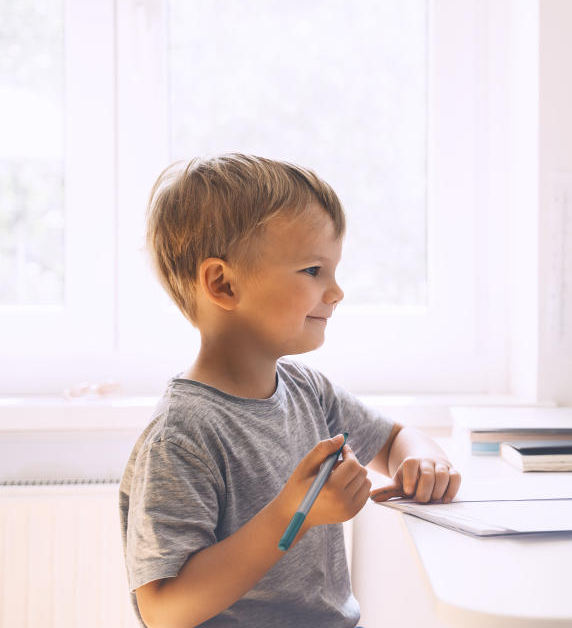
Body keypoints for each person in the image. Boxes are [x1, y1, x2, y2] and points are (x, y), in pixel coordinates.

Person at [119, 154, 461, 627]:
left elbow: (395, 438)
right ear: (223, 284)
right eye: (313, 271)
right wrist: (291, 515)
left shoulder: (306, 390)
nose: (336, 291)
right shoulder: (182, 435)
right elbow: (163, 609)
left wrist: (424, 460)